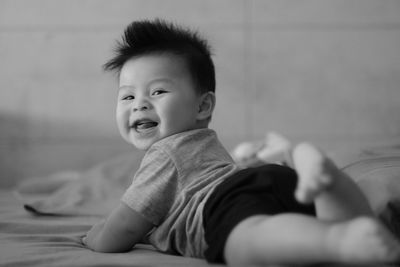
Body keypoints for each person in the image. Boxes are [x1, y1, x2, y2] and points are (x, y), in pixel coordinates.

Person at [82, 18, 400, 265]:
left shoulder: (164, 153)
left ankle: (335, 240)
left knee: (246, 241)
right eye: (127, 96)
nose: (139, 104)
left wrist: (93, 238)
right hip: (272, 178)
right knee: (314, 217)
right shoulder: (204, 143)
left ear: (203, 106)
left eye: (158, 92)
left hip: (224, 202)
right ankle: (331, 189)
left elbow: (121, 230)